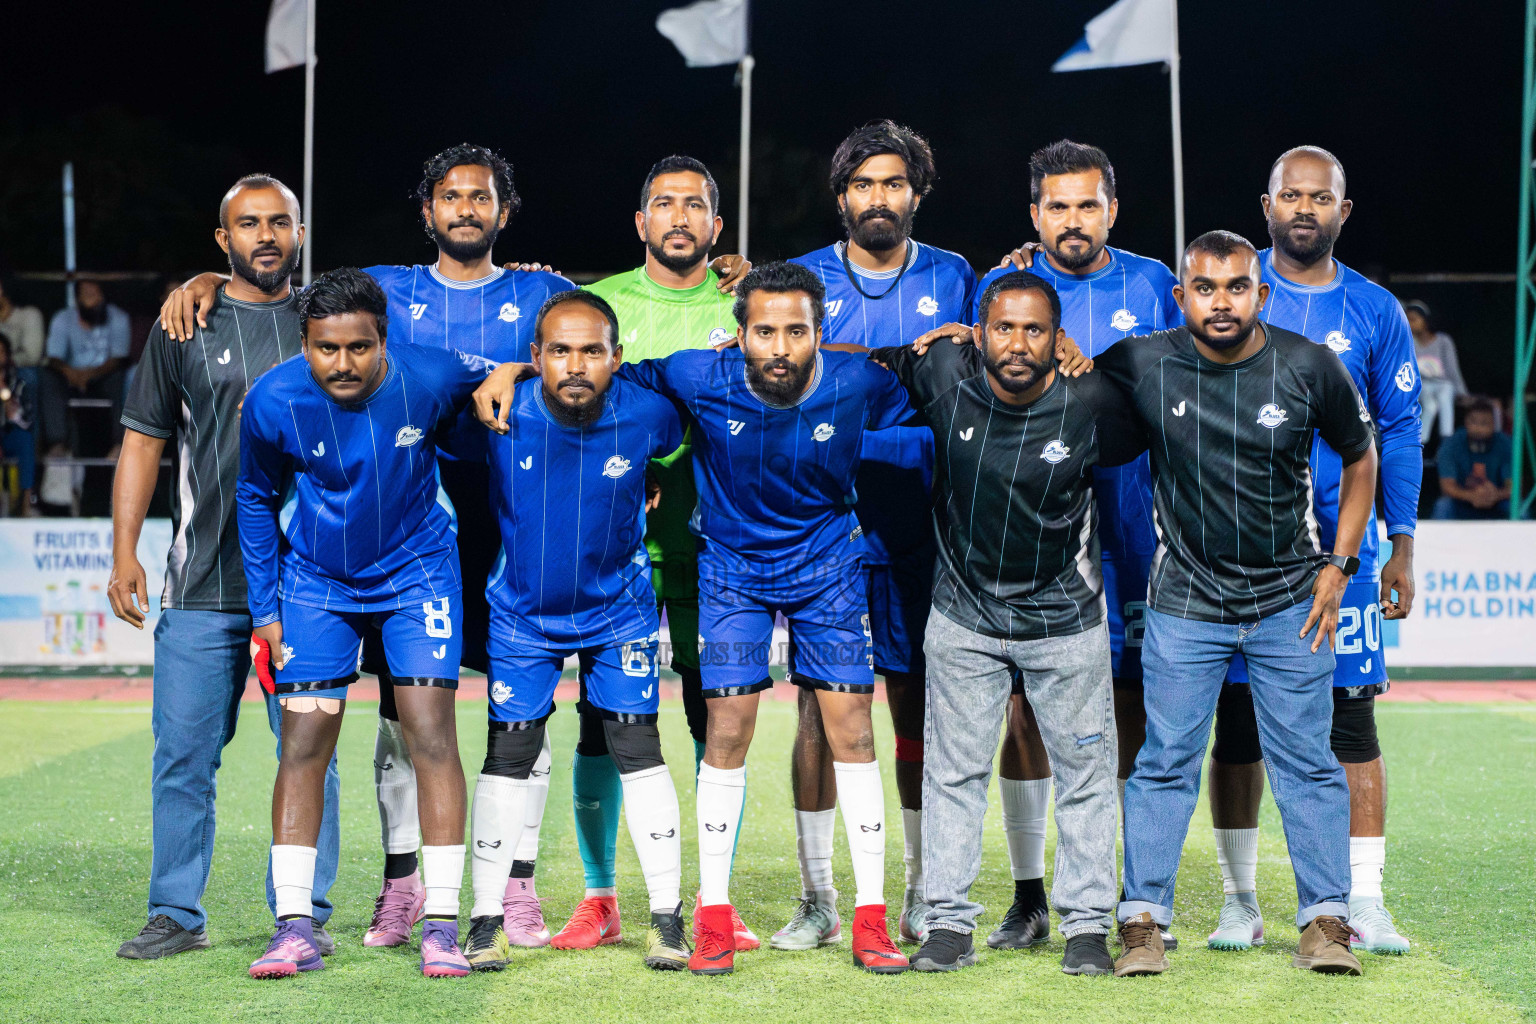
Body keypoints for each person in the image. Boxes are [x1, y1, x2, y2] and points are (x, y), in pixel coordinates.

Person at [158, 143, 577, 950]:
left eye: (479, 197)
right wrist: (211, 282)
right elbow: (285, 297)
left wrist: (516, 373)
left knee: (515, 716)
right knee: (374, 725)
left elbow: (580, 353)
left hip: (505, 531)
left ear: (503, 209)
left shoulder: (539, 292)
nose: (464, 209)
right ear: (427, 212)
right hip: (349, 553)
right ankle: (383, 897)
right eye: (449, 197)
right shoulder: (374, 303)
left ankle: (505, 894)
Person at [478, 262, 914, 975]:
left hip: (827, 564)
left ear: (820, 334)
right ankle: (710, 914)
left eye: (796, 331)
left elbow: (921, 403)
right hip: (732, 568)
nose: (779, 346)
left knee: (854, 728)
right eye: (764, 331)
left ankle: (868, 916)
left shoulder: (859, 382)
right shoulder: (694, 374)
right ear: (736, 336)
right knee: (728, 726)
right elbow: (605, 380)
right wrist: (511, 371)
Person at [1094, 231, 1378, 978]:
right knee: (1163, 762)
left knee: (1308, 766)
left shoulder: (1310, 365)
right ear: (1182, 294)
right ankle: (1144, 921)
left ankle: (1325, 922)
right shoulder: (1142, 362)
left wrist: (1341, 564)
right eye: (1206, 287)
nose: (1222, 301)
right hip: (1186, 601)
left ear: (1263, 293)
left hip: (1291, 601)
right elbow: (1066, 383)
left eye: (1236, 287)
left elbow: (1361, 454)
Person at [871, 271, 1144, 975]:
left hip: (1065, 619)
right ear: (979, 332)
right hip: (963, 616)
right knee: (954, 774)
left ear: (1060, 339)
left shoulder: (1096, 403)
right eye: (1002, 327)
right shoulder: (940, 368)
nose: (1017, 344)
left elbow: (1173, 431)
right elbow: (864, 359)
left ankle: (1086, 926)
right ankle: (947, 924)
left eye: (1034, 330)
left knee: (1085, 776)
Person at [108, 174, 341, 960]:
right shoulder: (184, 326)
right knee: (182, 757)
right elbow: (143, 440)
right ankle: (176, 912)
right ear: (223, 240)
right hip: (202, 588)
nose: (266, 235)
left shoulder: (332, 324)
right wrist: (123, 551)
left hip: (308, 589)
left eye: (280, 222)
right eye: (248, 225)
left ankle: (304, 909)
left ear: (300, 233)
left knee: (309, 753)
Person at [237, 267, 489, 980]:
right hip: (317, 583)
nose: (341, 363)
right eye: (324, 348)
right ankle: (294, 928)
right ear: (304, 344)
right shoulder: (273, 398)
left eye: (358, 348)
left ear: (385, 341)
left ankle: (440, 922)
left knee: (430, 734)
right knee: (304, 740)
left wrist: (507, 374)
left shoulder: (432, 373)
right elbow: (254, 496)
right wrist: (267, 608)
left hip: (418, 576)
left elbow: (508, 369)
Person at [1205, 147, 1422, 957]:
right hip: (1235, 557)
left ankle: (1363, 900)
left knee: (1351, 724)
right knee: (1238, 729)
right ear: (1266, 205)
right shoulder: (1229, 287)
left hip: (1343, 558)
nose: (1304, 208)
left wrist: (1399, 543)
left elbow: (1397, 433)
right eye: (1290, 195)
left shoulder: (1375, 312)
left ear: (1343, 210)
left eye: (1319, 197)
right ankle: (1238, 900)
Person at [770, 121, 975, 950]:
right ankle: (819, 896)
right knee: (819, 717)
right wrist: (884, 356)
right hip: (824, 528)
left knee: (917, 712)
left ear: (916, 194)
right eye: (863, 185)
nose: (878, 198)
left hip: (924, 526)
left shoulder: (958, 276)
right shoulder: (804, 279)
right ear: (842, 196)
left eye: (893, 184)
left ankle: (925, 889)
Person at [986, 139, 1183, 950]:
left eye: (1088, 204)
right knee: (1026, 709)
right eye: (1057, 206)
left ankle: (1133, 901)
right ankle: (1032, 896)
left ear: (1113, 208)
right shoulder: (1003, 287)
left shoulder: (1155, 284)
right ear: (1035, 214)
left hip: (1136, 528)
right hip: (1037, 531)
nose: (1073, 221)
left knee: (1132, 708)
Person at [463, 290, 691, 972]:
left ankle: (668, 919)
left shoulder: (651, 414)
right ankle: (483, 920)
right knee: (510, 753)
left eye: (592, 350)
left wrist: (651, 475)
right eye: (559, 350)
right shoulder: (499, 411)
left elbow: (679, 445)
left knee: (637, 746)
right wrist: (502, 373)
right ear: (534, 357)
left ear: (617, 358)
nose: (576, 364)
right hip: (522, 615)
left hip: (618, 609)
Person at [566, 155, 755, 953]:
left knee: (716, 722)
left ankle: (715, 899)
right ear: (639, 221)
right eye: (663, 204)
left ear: (717, 226)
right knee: (599, 725)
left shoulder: (748, 303)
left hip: (719, 553)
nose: (679, 217)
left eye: (697, 206)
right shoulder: (595, 305)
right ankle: (600, 895)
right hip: (615, 555)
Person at [41, 279, 130, 451]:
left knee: (124, 377)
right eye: (86, 295)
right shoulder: (63, 318)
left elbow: (118, 359)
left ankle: (121, 445)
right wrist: (71, 373)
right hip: (70, 376)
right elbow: (53, 357)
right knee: (47, 376)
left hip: (104, 375)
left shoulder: (118, 317)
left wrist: (89, 375)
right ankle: (57, 443)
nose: (92, 300)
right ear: (77, 299)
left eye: (95, 294)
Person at [1433, 399, 1511, 518]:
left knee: (1517, 507)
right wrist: (1472, 496)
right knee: (1443, 505)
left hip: (1496, 501)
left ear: (1494, 425)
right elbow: (1447, 486)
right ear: (1466, 422)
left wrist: (1495, 495)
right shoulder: (1452, 443)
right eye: (1473, 422)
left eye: (1484, 423)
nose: (1478, 428)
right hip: (1462, 502)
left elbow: (1514, 487)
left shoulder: (1504, 443)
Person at [1405, 299, 1466, 442]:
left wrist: (1462, 392)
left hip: (1442, 384)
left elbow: (1452, 368)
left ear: (1426, 320)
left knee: (1444, 395)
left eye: (1414, 319)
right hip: (1421, 385)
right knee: (1430, 405)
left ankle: (1446, 439)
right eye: (1407, 319)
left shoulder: (1443, 340)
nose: (1410, 323)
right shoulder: (1408, 340)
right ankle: (1422, 444)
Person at [0, 334, 37, 514]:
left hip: (10, 434)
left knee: (25, 441)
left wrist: (11, 407)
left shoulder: (19, 382)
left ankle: (25, 505)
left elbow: (27, 420)